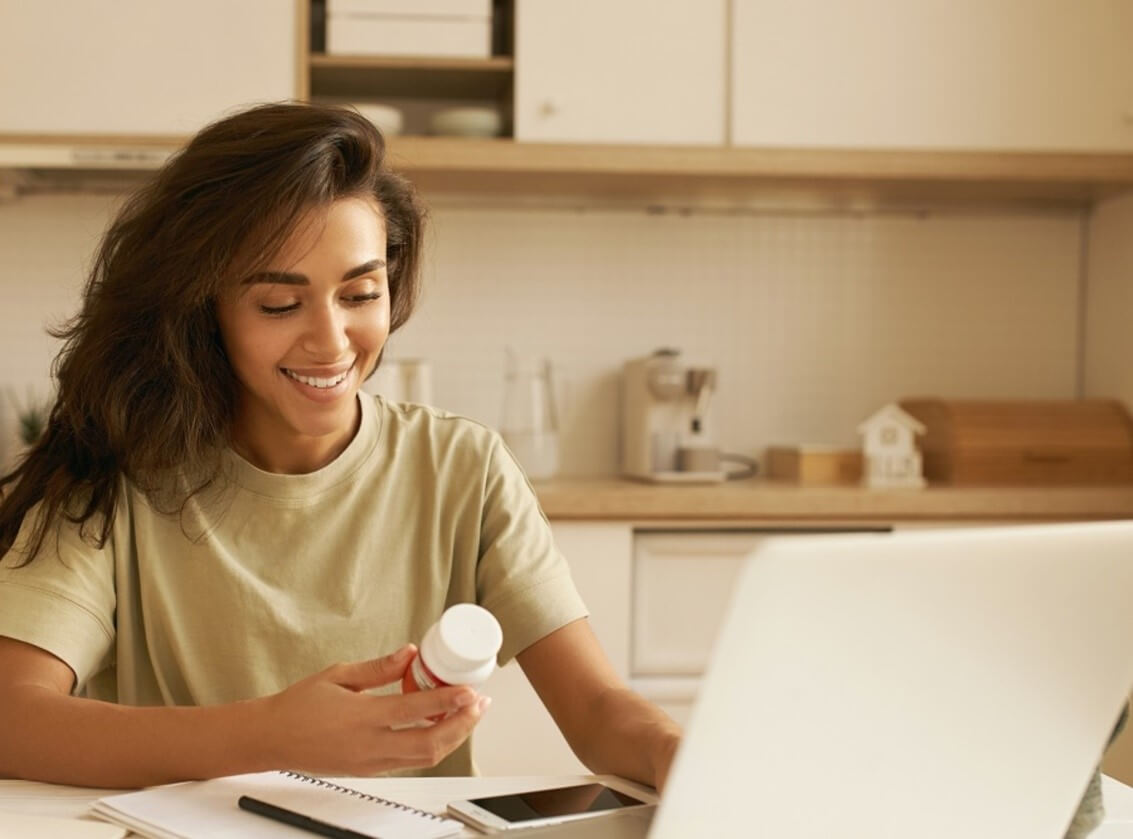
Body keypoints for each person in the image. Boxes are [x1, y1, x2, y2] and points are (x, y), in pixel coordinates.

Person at [0, 102, 681, 790]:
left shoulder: (463, 469)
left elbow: (595, 710)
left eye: (360, 293)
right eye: (278, 304)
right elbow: (12, 720)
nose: (331, 341)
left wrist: (673, 750)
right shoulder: (118, 476)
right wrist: (269, 734)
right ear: (205, 309)